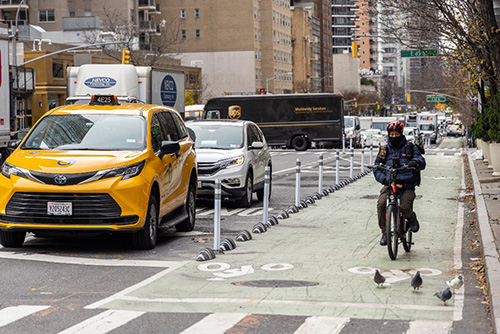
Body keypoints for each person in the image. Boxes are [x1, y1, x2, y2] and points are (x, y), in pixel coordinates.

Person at [374, 121, 426, 246]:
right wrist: (384, 179)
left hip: (407, 184)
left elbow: (421, 161)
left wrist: (415, 162)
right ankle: (385, 234)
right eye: (391, 134)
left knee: (404, 206)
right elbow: (377, 167)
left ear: (401, 134)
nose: (393, 136)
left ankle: (411, 219)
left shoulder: (410, 147)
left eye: (396, 134)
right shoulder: (384, 150)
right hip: (390, 183)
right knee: (381, 203)